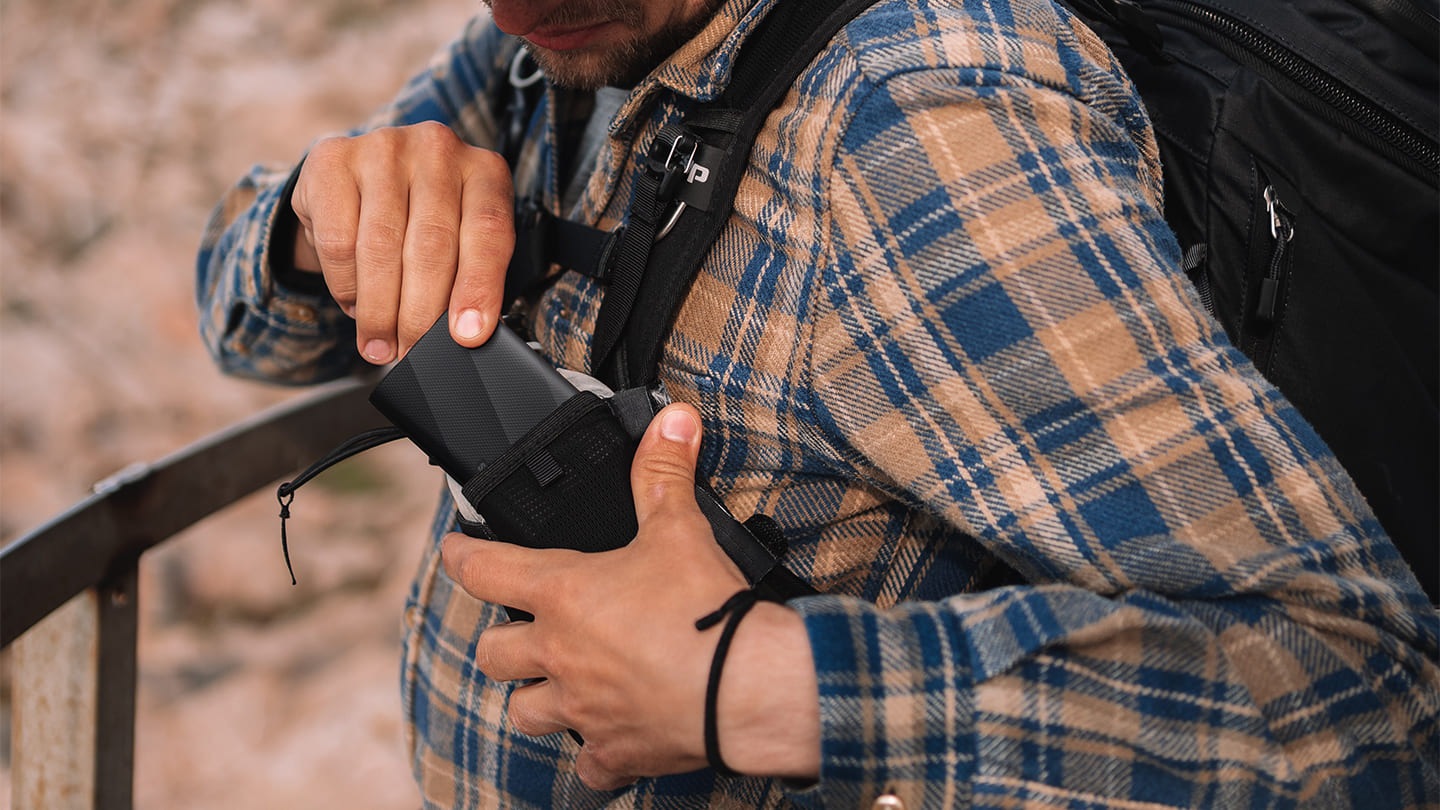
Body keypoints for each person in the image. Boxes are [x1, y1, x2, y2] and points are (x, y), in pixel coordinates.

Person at [196, 0, 1440, 806]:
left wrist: (765, 684)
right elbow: (247, 329)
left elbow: (1368, 705)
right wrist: (314, 224)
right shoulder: (554, 50)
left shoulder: (914, 121)